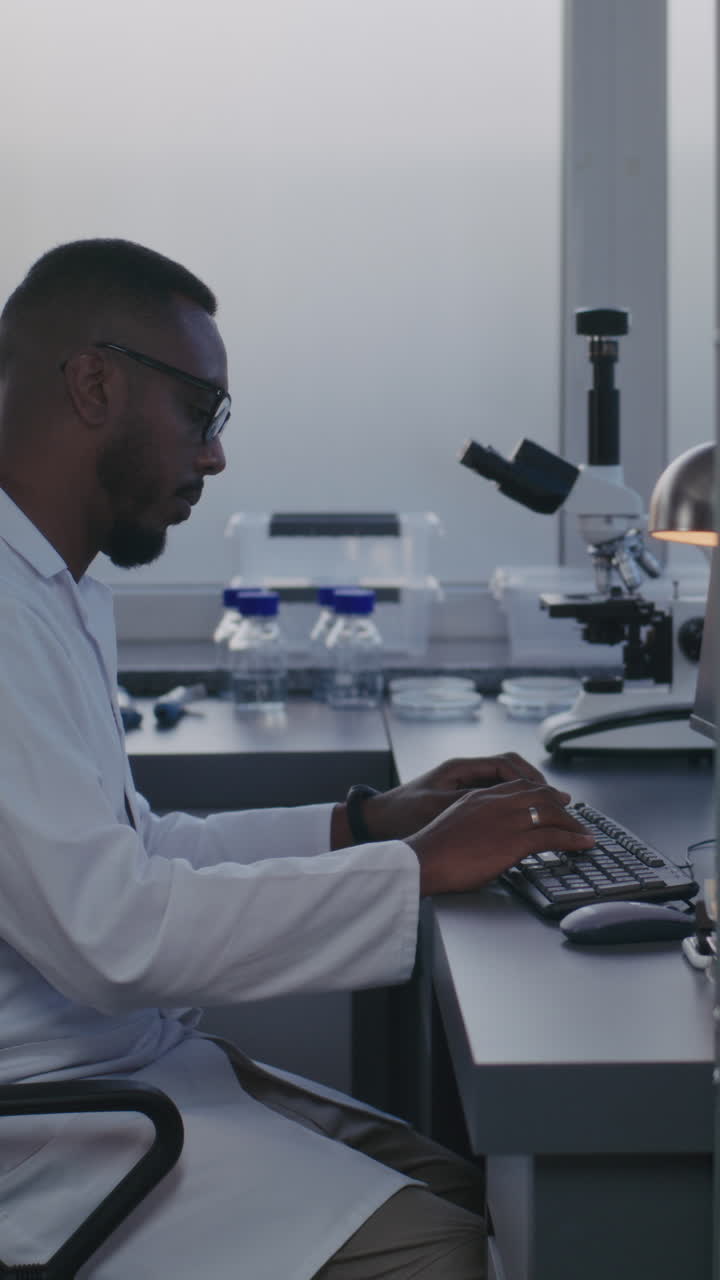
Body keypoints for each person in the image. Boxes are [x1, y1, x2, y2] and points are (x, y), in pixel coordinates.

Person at [0, 239, 594, 1279]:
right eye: (202, 412)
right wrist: (416, 869)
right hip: (52, 1127)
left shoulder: (52, 586)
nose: (215, 457)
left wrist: (365, 824)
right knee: (472, 1253)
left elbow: (135, 851)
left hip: (124, 1078)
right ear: (94, 384)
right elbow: (113, 938)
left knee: (488, 1189)